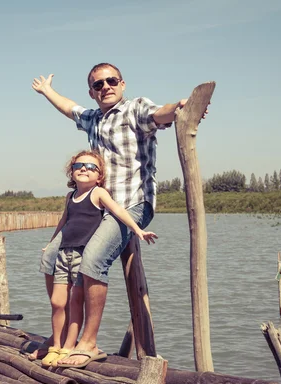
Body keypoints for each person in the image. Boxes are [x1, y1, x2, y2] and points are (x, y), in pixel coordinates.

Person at [31, 62, 204, 367]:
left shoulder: (135, 109)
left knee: (93, 259)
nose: (106, 87)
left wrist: (178, 107)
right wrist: (47, 91)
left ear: (122, 84)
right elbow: (70, 108)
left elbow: (159, 114)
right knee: (49, 258)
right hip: (98, 209)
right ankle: (60, 338)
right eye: (98, 84)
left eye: (111, 81)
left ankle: (89, 342)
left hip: (133, 204)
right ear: (92, 92)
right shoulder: (93, 119)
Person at [39, 150, 157, 368]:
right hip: (64, 252)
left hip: (81, 255)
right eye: (79, 165)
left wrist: (138, 230)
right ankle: (58, 343)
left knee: (76, 302)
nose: (84, 169)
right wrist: (51, 242)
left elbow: (119, 211)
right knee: (58, 301)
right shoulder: (69, 198)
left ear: (100, 176)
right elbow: (64, 222)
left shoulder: (99, 193)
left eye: (92, 167)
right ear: (71, 172)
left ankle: (67, 347)